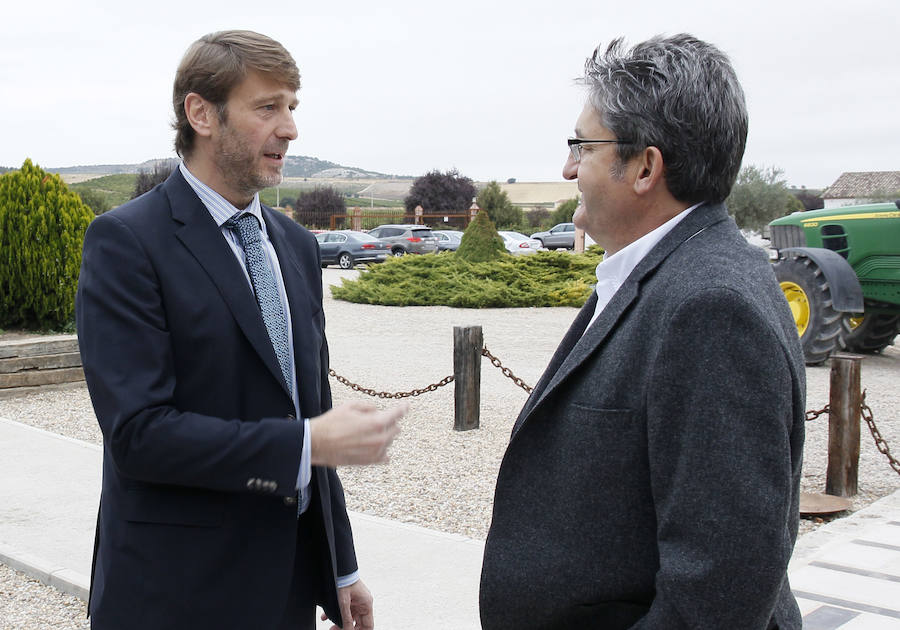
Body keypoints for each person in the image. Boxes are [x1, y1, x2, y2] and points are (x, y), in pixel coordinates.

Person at [76, 30, 405, 630]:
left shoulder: (298, 247)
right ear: (200, 113)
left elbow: (307, 412)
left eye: (292, 108)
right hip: (176, 594)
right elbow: (140, 435)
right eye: (267, 107)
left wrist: (341, 567)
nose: (290, 129)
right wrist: (305, 446)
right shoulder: (127, 244)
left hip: (286, 590)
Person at [480, 34, 806, 629]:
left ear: (645, 168)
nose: (568, 167)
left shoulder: (710, 306)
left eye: (583, 145)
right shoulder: (673, 272)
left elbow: (719, 586)